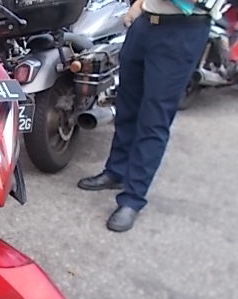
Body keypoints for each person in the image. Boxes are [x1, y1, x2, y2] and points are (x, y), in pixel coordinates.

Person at [77, 0, 227, 232]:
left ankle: (133, 198)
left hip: (182, 30)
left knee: (154, 118)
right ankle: (116, 171)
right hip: (146, 23)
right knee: (126, 106)